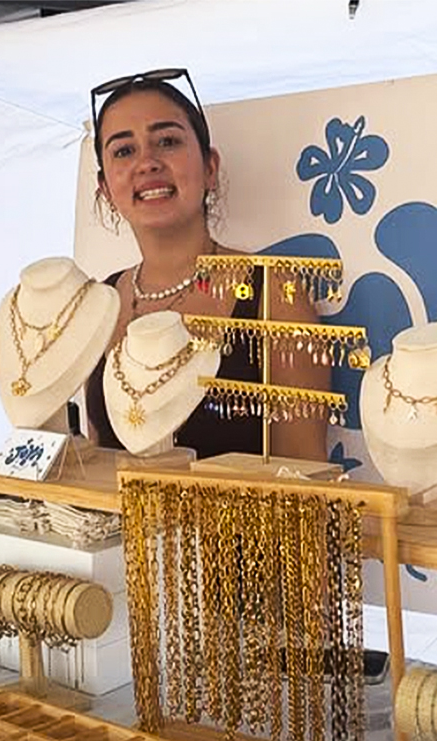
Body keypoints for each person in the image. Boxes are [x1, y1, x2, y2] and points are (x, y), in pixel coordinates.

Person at [83, 69, 331, 461]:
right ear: (105, 188)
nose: (147, 163)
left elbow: (305, 477)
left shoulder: (274, 297)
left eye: (167, 141)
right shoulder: (97, 306)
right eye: (124, 151)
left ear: (210, 168)